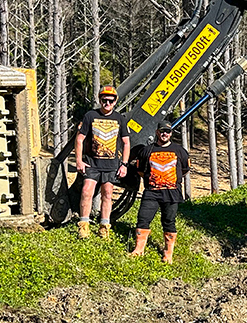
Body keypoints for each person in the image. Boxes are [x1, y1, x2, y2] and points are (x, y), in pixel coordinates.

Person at [74, 85, 131, 239]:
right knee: (86, 191)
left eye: (111, 101)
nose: (107, 103)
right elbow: (79, 139)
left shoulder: (120, 119)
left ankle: (104, 227)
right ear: (100, 100)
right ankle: (83, 226)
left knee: (107, 194)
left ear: (115, 102)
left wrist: (124, 164)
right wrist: (79, 161)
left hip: (111, 165)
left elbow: (126, 143)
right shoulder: (90, 116)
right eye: (104, 100)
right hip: (92, 163)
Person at [129, 120, 190, 264]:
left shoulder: (180, 151)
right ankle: (138, 250)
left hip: (172, 193)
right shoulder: (147, 150)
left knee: (169, 221)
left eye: (167, 131)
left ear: (171, 133)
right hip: (151, 192)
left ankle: (168, 253)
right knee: (143, 219)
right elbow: (140, 170)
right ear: (157, 132)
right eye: (162, 131)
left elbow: (185, 170)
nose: (165, 134)